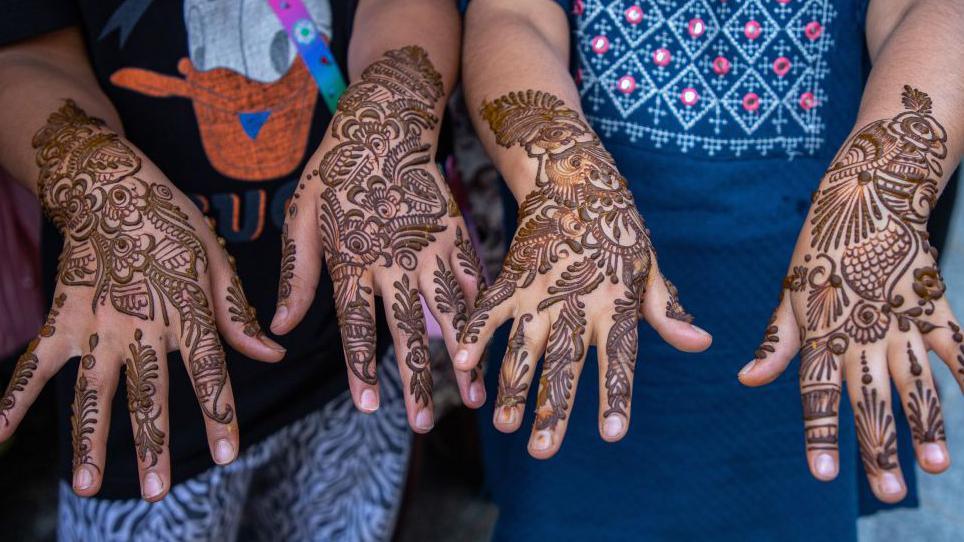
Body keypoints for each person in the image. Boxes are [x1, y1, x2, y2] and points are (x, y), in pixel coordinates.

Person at [453, 0, 963, 540]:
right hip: (578, 303)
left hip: (812, 312)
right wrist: (567, 189)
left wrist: (883, 191)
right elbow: (511, 16)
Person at [0, 0, 481, 540]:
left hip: (351, 349)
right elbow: (25, 54)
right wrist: (98, 182)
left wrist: (391, 116)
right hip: (143, 376)